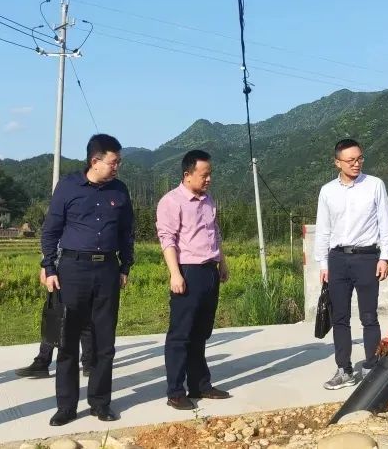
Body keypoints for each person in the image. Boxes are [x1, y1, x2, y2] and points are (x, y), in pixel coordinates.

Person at [41, 133, 135, 426]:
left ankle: (100, 403)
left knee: (105, 342)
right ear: (95, 161)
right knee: (68, 341)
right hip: (72, 269)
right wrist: (49, 267)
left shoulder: (119, 191)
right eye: (113, 161)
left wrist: (124, 267)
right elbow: (51, 230)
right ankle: (66, 407)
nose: (117, 166)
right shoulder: (68, 187)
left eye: (119, 161)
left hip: (107, 269)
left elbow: (126, 232)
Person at [314, 139, 388, 390]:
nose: (356, 163)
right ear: (337, 162)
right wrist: (323, 264)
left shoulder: (375, 185)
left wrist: (385, 257)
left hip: (367, 258)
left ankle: (372, 366)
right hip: (337, 260)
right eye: (350, 160)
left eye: (360, 158)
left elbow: (385, 223)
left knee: (369, 316)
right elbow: (323, 230)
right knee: (340, 317)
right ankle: (344, 369)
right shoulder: (327, 191)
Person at [156, 150, 232, 411]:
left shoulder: (209, 200)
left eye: (210, 174)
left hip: (209, 271)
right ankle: (175, 391)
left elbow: (215, 233)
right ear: (187, 175)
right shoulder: (172, 201)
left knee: (201, 333)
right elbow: (167, 239)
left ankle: (200, 384)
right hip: (187, 271)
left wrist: (222, 262)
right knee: (181, 335)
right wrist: (175, 273)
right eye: (204, 174)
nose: (208, 179)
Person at [14, 267, 96, 379]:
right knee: (54, 316)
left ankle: (89, 362)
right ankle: (42, 361)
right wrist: (46, 268)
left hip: (79, 269)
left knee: (84, 314)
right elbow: (49, 249)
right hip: (58, 271)